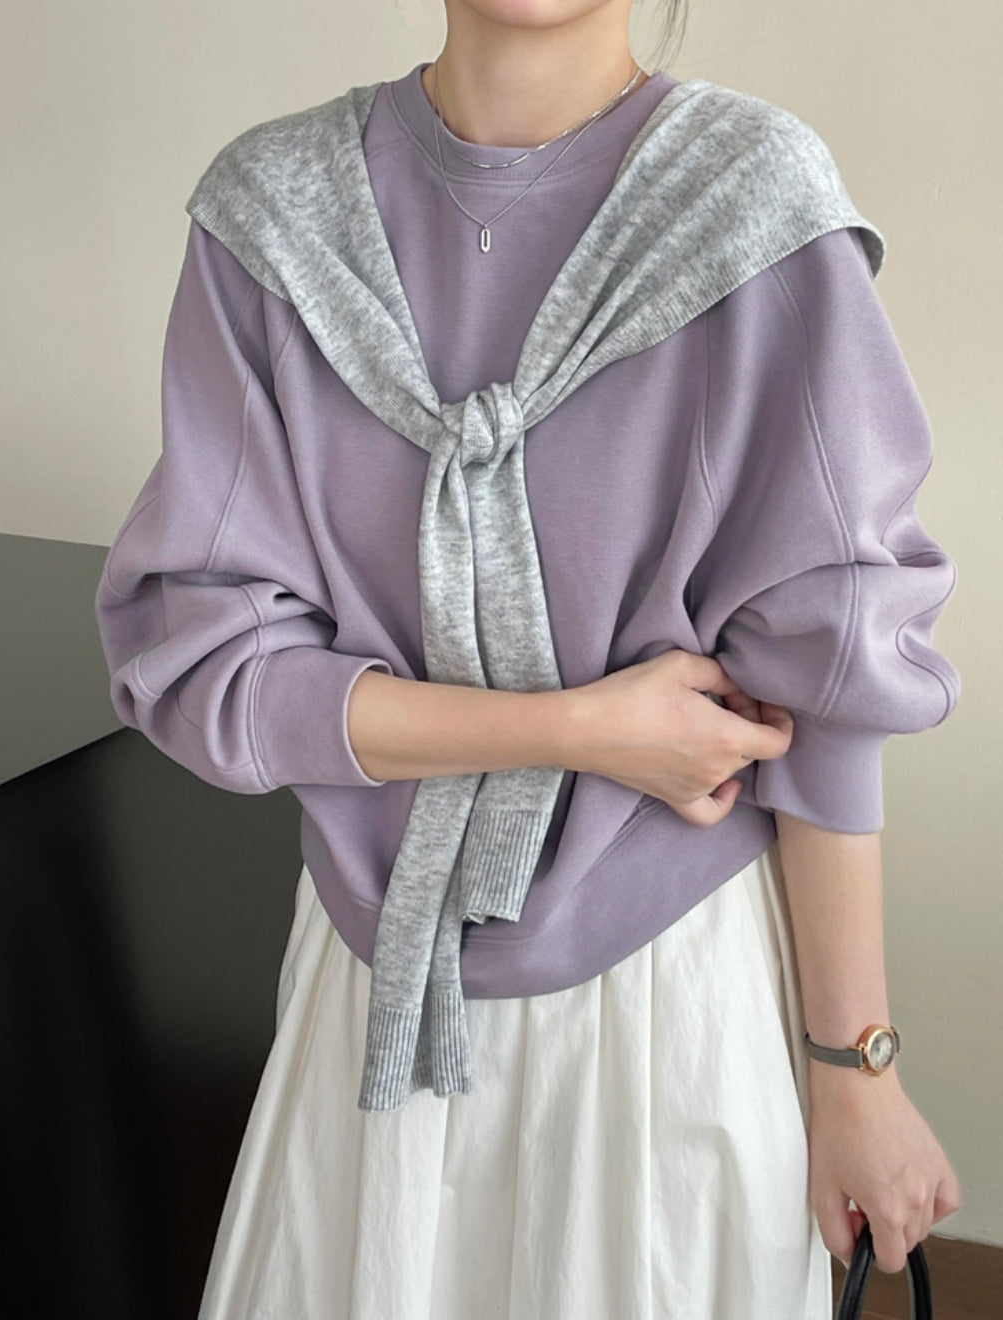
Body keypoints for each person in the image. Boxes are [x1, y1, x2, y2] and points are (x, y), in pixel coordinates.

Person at [94, 2, 963, 1315]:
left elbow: (829, 683)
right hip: (372, 998)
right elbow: (208, 667)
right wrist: (582, 730)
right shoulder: (268, 216)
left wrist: (857, 1070)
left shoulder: (754, 203)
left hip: (668, 1001)